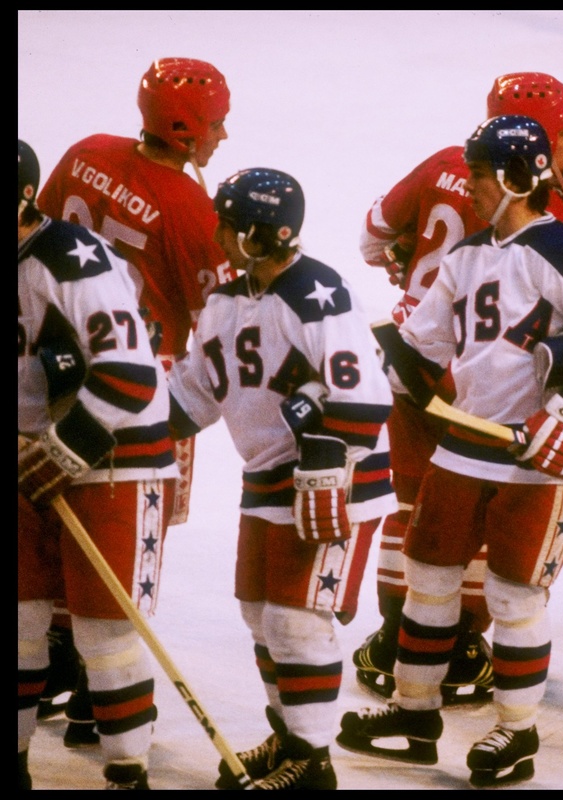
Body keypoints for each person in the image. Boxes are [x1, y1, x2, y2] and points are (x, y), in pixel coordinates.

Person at [337, 115, 563, 787]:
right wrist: (347, 361)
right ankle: (414, 713)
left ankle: (516, 731)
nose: (469, 187)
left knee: (513, 593)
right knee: (430, 581)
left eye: (478, 176)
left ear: (513, 180)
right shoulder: (468, 257)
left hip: (537, 459)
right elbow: (417, 352)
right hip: (467, 442)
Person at [350, 72, 563, 705]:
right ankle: (467, 643)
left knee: (414, 503)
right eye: (562, 134)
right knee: (476, 508)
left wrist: (403, 257)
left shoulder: (439, 166)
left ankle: (399, 630)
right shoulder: (548, 217)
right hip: (481, 366)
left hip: (413, 352)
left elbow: (373, 238)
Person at [167, 168, 396, 789]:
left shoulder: (318, 292)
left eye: (227, 223)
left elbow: (366, 399)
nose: (216, 231)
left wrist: (327, 475)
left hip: (339, 476)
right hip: (266, 474)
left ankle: (313, 760)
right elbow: (193, 397)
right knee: (258, 614)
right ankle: (293, 731)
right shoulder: (223, 301)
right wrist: (118, 425)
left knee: (298, 620)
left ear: (260, 235)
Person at [34, 58, 233, 739]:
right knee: (130, 533)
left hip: (52, 371)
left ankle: (62, 650)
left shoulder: (85, 153)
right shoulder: (188, 208)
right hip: (145, 383)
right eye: (216, 123)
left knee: (59, 511)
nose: (224, 135)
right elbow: (224, 315)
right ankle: (102, 678)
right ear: (184, 131)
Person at [19, 138, 178, 790]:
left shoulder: (71, 262)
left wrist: (64, 446)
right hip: (34, 454)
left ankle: (128, 775)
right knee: (20, 622)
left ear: (25, 196)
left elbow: (131, 374)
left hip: (115, 456)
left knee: (102, 635)